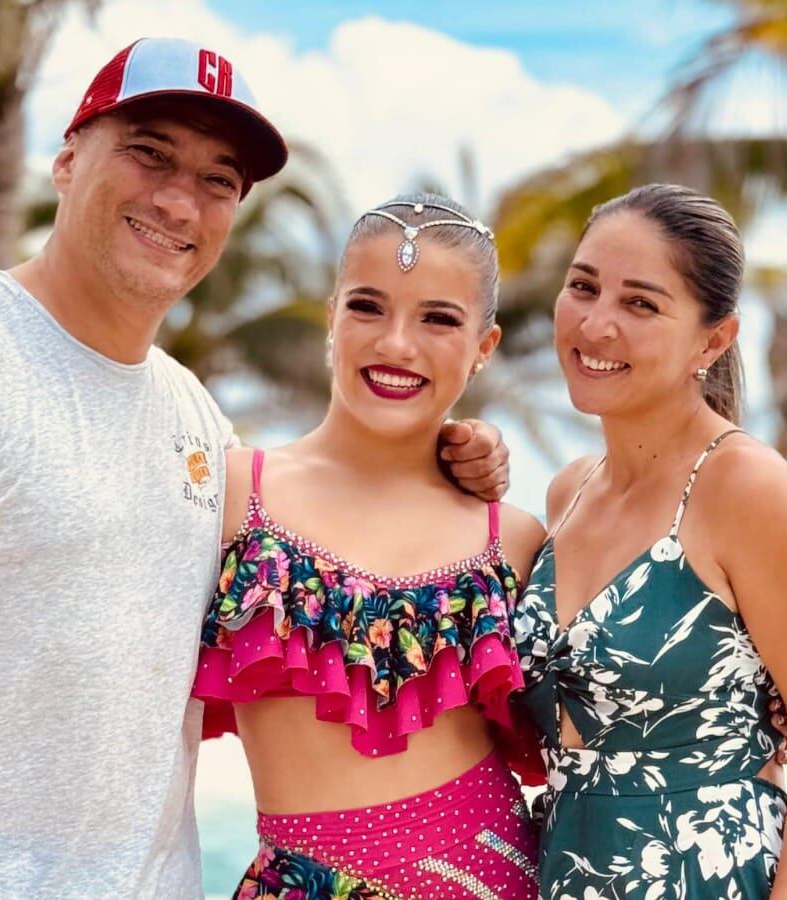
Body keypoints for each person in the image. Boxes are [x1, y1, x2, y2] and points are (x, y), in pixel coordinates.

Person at [0, 39, 508, 900]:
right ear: (66, 159)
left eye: (219, 181)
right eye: (149, 153)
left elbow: (336, 524)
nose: (180, 200)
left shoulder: (195, 419)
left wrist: (448, 451)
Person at [514, 184, 787, 899]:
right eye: (583, 287)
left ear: (714, 340)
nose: (597, 323)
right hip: (570, 871)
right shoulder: (569, 492)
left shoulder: (742, 488)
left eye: (640, 303)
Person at [193, 193, 548, 899]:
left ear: (484, 347)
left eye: (439, 319)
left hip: (492, 879)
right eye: (367, 306)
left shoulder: (513, 538)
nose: (395, 345)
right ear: (331, 314)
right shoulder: (233, 494)